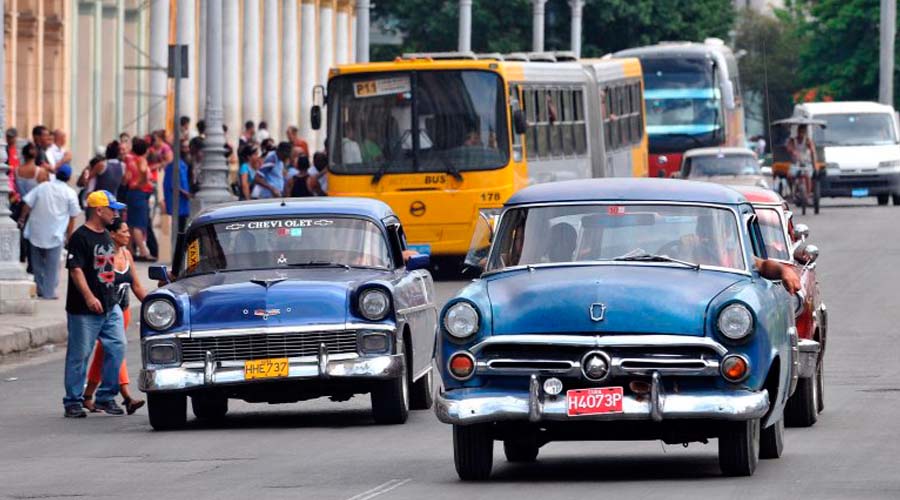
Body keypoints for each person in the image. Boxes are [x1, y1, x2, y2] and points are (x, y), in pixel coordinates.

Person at [62, 190, 128, 418]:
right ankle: (73, 401)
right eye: (112, 209)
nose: (116, 213)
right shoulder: (80, 237)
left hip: (111, 306)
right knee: (79, 355)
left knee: (117, 347)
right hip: (84, 310)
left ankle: (106, 397)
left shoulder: (107, 235)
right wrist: (89, 297)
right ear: (99, 210)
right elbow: (76, 270)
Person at [82, 218, 147, 415]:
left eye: (128, 231)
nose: (128, 235)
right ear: (112, 234)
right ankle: (126, 395)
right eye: (124, 231)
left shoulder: (127, 254)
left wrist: (155, 303)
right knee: (115, 350)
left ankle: (88, 395)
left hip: (123, 311)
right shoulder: (105, 255)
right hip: (107, 310)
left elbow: (136, 285)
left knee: (107, 352)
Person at [17, 164, 81, 299]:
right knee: (52, 266)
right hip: (55, 234)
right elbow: (73, 216)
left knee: (37, 264)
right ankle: (49, 292)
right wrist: (70, 236)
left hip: (36, 231)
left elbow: (27, 204)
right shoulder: (70, 193)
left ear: (56, 174)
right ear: (69, 178)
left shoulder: (42, 187)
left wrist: (22, 219)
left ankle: (40, 289)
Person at [125, 138, 155, 261]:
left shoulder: (130, 160)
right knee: (138, 224)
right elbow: (143, 171)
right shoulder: (141, 160)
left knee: (131, 223)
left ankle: (131, 250)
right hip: (140, 192)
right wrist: (142, 182)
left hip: (132, 193)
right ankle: (143, 251)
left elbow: (126, 177)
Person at [786, 124, 817, 198]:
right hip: (796, 163)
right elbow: (789, 148)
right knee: (789, 176)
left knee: (807, 176)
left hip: (806, 163)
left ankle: (808, 194)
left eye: (803, 132)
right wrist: (793, 151)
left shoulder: (808, 141)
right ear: (797, 132)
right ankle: (792, 192)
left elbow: (812, 151)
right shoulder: (793, 140)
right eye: (800, 132)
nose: (801, 134)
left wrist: (814, 164)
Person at [164, 156, 192, 234]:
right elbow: (174, 184)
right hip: (179, 202)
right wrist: (185, 193)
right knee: (180, 227)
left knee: (181, 225)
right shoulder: (175, 166)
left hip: (181, 203)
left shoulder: (180, 165)